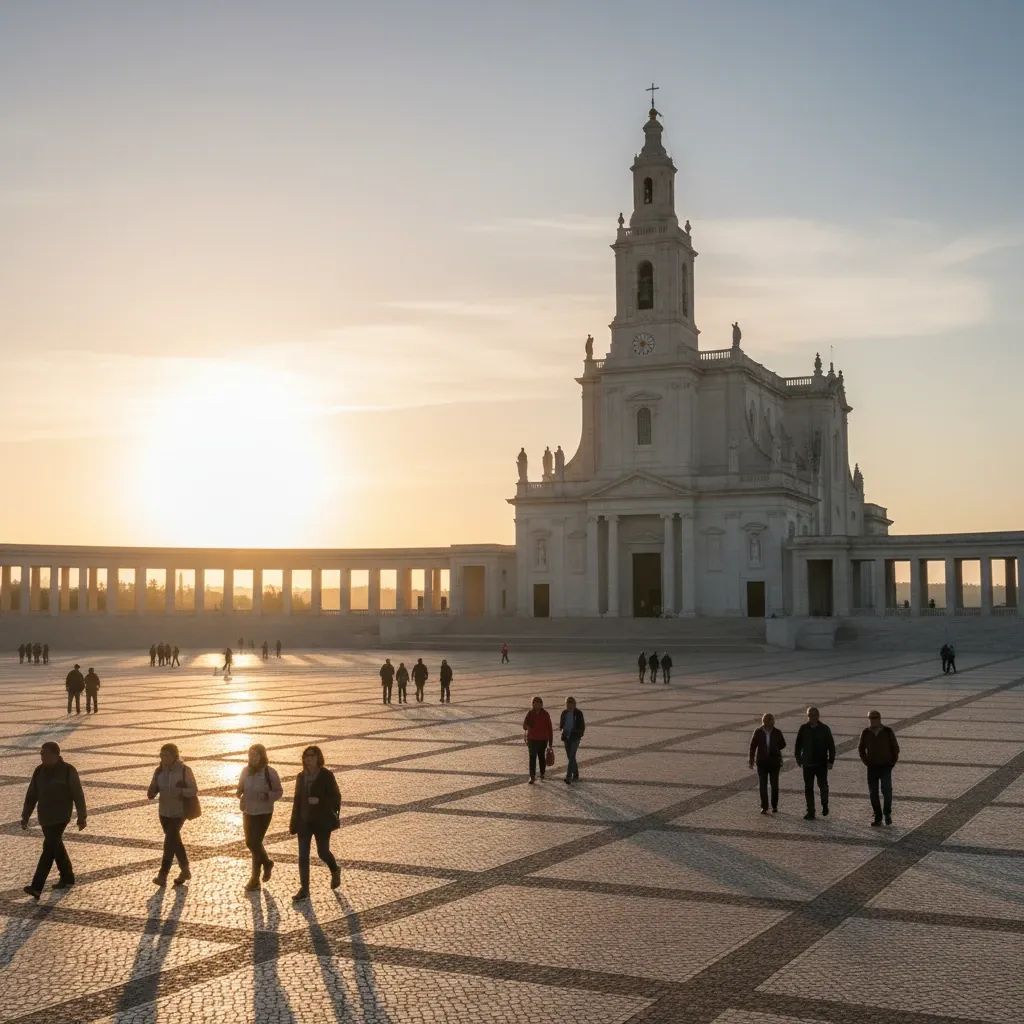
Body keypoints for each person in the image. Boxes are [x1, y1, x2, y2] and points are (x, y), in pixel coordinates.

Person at [20, 741, 87, 899]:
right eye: (41, 753)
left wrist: (82, 817)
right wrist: (25, 816)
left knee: (48, 848)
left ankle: (37, 887)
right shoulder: (39, 771)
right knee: (56, 846)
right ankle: (68, 876)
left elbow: (78, 794)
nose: (42, 756)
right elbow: (31, 795)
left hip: (61, 816)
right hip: (45, 817)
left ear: (55, 754)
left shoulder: (68, 771)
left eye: (45, 753)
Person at [288, 745, 341, 901]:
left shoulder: (326, 775)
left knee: (322, 852)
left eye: (312, 755)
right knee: (303, 856)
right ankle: (304, 889)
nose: (309, 758)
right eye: (306, 756)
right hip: (304, 821)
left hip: (321, 822)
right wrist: (294, 821)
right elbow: (297, 800)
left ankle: (335, 869)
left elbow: (336, 797)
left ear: (318, 758)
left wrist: (320, 801)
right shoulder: (300, 777)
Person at [147, 743, 198, 886]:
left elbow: (193, 789)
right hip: (164, 812)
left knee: (169, 842)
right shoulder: (159, 771)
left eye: (166, 755)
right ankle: (185, 870)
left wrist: (181, 791)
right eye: (161, 755)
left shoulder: (184, 770)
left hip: (179, 812)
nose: (163, 758)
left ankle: (162, 875)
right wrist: (151, 791)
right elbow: (153, 788)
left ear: (175, 756)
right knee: (175, 842)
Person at [236, 743, 283, 891]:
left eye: (255, 755)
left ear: (262, 756)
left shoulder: (270, 772)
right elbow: (240, 787)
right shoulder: (245, 771)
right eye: (250, 755)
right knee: (251, 843)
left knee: (255, 843)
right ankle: (267, 863)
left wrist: (267, 795)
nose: (252, 758)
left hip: (264, 812)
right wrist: (239, 794)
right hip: (248, 811)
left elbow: (279, 791)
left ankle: (254, 879)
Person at [794, 706, 836, 820]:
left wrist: (831, 761)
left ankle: (825, 804)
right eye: (809, 715)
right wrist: (798, 758)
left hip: (821, 763)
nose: (811, 717)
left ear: (818, 716)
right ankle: (810, 811)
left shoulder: (824, 728)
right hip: (807, 764)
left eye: (813, 715)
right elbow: (798, 745)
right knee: (808, 788)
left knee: (823, 786)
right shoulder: (803, 728)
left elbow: (831, 746)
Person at [859, 710, 900, 826]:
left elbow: (895, 748)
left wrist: (892, 762)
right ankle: (878, 816)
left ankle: (887, 813)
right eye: (870, 718)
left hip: (886, 766)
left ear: (880, 718)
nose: (873, 720)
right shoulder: (866, 732)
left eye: (875, 718)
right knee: (873, 793)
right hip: (872, 767)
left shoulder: (887, 731)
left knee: (887, 791)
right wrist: (866, 761)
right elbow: (861, 748)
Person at [748, 713, 786, 814]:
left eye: (770, 720)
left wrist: (775, 749)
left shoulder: (777, 732)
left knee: (774, 785)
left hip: (774, 763)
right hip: (762, 763)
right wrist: (751, 760)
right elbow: (753, 746)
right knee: (763, 785)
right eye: (766, 720)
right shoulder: (758, 731)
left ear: (773, 721)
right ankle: (764, 806)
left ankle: (774, 806)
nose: (768, 722)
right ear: (763, 721)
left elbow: (783, 744)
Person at [523, 696, 553, 784]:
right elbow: (524, 726)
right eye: (534, 703)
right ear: (532, 704)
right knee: (532, 758)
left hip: (543, 740)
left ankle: (542, 773)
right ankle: (532, 776)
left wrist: (550, 743)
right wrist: (528, 726)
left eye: (538, 703)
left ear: (541, 704)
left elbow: (549, 728)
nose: (536, 704)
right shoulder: (530, 713)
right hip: (532, 739)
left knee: (541, 757)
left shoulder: (545, 714)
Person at [559, 697, 586, 784]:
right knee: (570, 757)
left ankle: (568, 777)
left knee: (571, 756)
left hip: (575, 738)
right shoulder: (564, 713)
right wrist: (563, 730)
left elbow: (582, 726)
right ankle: (576, 774)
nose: (569, 705)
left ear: (574, 704)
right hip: (566, 737)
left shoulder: (578, 713)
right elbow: (561, 725)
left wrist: (577, 733)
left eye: (571, 704)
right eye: (567, 704)